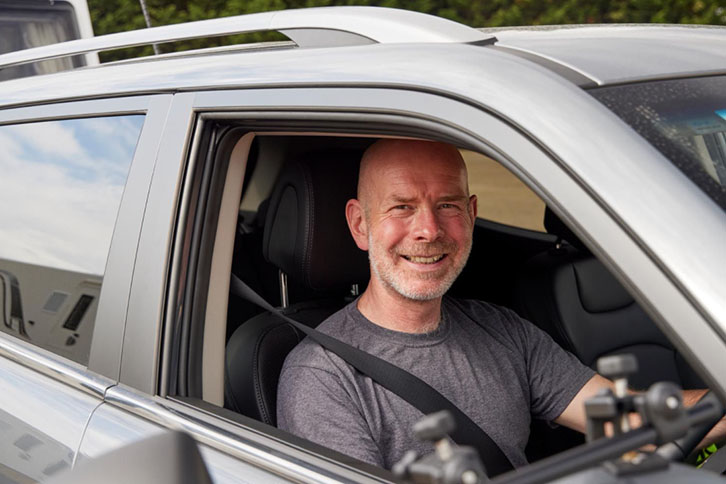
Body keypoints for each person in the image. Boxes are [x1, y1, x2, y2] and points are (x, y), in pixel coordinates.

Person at [276, 139, 722, 470]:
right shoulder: (322, 377)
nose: (429, 229)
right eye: (402, 208)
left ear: (471, 215)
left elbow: (629, 420)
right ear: (359, 224)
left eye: (446, 204)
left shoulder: (501, 330)